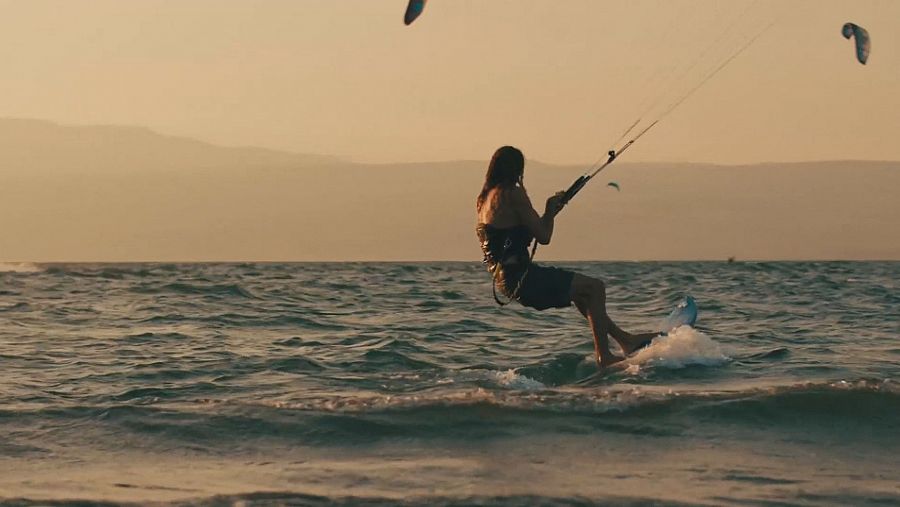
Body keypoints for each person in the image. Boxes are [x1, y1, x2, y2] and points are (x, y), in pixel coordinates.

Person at [475, 146, 657, 368]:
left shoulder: (484, 199)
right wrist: (550, 209)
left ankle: (626, 340)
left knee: (584, 294)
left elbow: (519, 232)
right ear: (516, 169)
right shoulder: (513, 193)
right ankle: (605, 357)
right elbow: (543, 236)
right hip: (522, 277)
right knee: (595, 288)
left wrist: (551, 211)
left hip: (506, 280)